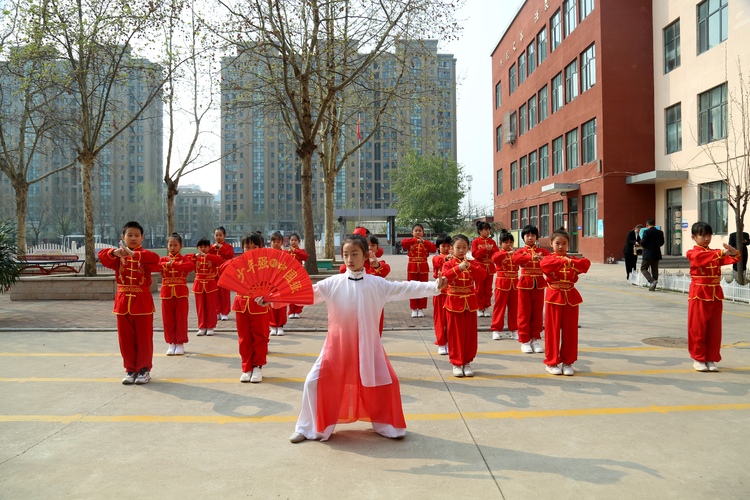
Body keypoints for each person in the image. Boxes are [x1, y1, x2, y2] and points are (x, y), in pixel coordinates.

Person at [288, 234, 446, 443]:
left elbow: (406, 287)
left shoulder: (377, 284)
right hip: (337, 348)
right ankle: (308, 428)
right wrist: (273, 298)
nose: (349, 259)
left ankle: (389, 426)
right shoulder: (333, 283)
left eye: (354, 254)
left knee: (390, 382)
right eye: (345, 255)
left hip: (369, 347)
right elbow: (305, 294)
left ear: (365, 256)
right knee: (312, 382)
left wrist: (434, 286)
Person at [98, 221, 160, 385]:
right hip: (123, 301)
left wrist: (134, 255)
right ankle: (130, 369)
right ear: (123, 237)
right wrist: (114, 252)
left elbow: (156, 261)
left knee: (144, 338)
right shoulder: (117, 256)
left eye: (137, 235)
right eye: (129, 235)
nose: (133, 238)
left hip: (142, 302)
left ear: (142, 238)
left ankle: (144, 369)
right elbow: (102, 256)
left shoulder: (145, 255)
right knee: (125, 338)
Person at [686, 222, 740, 372]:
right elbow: (700, 258)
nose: (706, 238)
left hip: (715, 294)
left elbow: (732, 259)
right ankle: (698, 358)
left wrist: (733, 252)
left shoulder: (714, 252)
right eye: (702, 235)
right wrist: (722, 253)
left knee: (714, 329)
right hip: (699, 294)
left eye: (709, 235)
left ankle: (711, 358)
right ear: (694, 237)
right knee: (698, 327)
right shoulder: (693, 253)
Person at [540, 228, 591, 376]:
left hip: (570, 296)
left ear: (568, 244)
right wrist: (565, 262)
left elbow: (585, 264)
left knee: (570, 331)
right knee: (553, 330)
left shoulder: (573, 259)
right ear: (551, 244)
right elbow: (545, 266)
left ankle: (568, 362)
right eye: (557, 243)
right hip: (554, 296)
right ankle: (552, 362)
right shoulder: (548, 259)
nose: (561, 246)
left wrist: (569, 261)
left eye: (564, 243)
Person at [224, 233, 272, 383]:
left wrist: (268, 297)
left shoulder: (266, 265)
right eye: (247, 247)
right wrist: (239, 260)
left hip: (259, 304)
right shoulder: (239, 263)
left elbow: (274, 284)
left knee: (260, 337)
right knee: (244, 338)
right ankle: (246, 367)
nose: (250, 250)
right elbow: (222, 269)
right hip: (241, 305)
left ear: (261, 248)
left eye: (254, 247)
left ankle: (258, 366)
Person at [441, 234, 487, 377]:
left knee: (469, 334)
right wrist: (459, 268)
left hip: (470, 303)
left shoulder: (472, 263)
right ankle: (456, 362)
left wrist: (470, 266)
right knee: (455, 334)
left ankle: (467, 362)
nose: (461, 250)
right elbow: (444, 278)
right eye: (458, 247)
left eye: (464, 247)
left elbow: (482, 276)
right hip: (454, 302)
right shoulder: (448, 264)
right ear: (451, 249)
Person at [338, 235, 391, 335]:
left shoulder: (379, 264)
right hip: (354, 303)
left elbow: (385, 271)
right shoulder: (355, 264)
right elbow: (342, 271)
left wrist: (376, 265)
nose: (370, 247)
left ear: (377, 248)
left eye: (373, 245)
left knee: (374, 331)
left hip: (373, 304)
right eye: (367, 245)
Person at [512, 225, 550, 354]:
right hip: (524, 284)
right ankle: (524, 340)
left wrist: (543, 259)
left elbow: (550, 261)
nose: (530, 238)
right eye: (527, 235)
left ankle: (535, 338)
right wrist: (531, 257)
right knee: (524, 313)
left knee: (537, 313)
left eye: (533, 235)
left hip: (538, 284)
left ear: (536, 237)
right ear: (523, 237)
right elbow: (515, 259)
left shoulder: (543, 251)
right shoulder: (520, 251)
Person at [158, 233, 195, 356]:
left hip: (180, 292)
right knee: (168, 319)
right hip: (167, 291)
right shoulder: (163, 259)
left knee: (181, 318)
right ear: (167, 246)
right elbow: (155, 266)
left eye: (175, 245)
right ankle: (171, 342)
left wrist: (174, 264)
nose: (173, 248)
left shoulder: (184, 259)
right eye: (170, 245)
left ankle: (180, 343)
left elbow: (190, 266)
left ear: (181, 246)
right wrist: (166, 264)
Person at [187, 238, 224, 336]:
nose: (203, 249)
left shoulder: (212, 257)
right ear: (197, 248)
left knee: (211, 306)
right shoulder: (195, 257)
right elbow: (185, 258)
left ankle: (211, 326)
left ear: (209, 247)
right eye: (201, 247)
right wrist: (195, 255)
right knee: (200, 307)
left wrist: (208, 256)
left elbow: (220, 260)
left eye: (205, 247)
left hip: (210, 283)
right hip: (199, 284)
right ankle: (202, 326)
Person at [401, 224, 437, 318]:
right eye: (416, 230)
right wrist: (415, 240)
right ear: (412, 232)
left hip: (423, 268)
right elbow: (403, 243)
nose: (418, 232)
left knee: (423, 287)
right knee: (412, 287)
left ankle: (421, 308)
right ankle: (414, 308)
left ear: (423, 232)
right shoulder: (410, 242)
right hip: (412, 267)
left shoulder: (426, 242)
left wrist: (424, 241)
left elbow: (433, 249)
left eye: (420, 230)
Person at [490, 231, 519, 341]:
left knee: (514, 308)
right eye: (506, 242)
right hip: (502, 283)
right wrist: (507, 254)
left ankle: (514, 329)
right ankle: (496, 329)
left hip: (515, 284)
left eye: (511, 242)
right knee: (499, 307)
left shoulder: (515, 253)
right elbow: (494, 259)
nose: (509, 244)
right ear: (500, 243)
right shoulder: (499, 253)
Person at [471, 221, 499, 317]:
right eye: (485, 229)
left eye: (488, 229)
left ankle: (486, 307)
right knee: (479, 289)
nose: (488, 231)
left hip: (489, 268)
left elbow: (497, 254)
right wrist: (484, 249)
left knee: (488, 289)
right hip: (480, 267)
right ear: (480, 231)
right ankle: (479, 307)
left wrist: (491, 249)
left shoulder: (492, 242)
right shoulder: (475, 242)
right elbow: (475, 254)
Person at [431, 233, 452, 355]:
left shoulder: (454, 258)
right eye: (443, 246)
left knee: (450, 319)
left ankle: (449, 341)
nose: (446, 248)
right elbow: (438, 261)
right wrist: (446, 258)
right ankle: (441, 343)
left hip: (451, 292)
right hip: (439, 291)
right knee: (440, 318)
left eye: (449, 246)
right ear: (438, 247)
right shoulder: (436, 258)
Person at [210, 226, 235, 320]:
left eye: (220, 235)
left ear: (224, 236)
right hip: (213, 273)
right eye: (216, 235)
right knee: (215, 293)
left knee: (224, 294)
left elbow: (230, 255)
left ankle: (225, 312)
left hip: (224, 273)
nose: (218, 237)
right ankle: (217, 311)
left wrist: (222, 247)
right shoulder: (211, 247)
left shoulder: (228, 247)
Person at [268, 232, 288, 336]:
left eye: (278, 242)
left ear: (282, 243)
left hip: (281, 283)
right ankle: (272, 326)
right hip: (269, 284)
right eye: (274, 241)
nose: (276, 244)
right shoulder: (266, 255)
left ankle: (280, 326)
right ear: (270, 242)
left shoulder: (285, 255)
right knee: (270, 305)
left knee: (281, 305)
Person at [286, 233, 308, 319]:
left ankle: (297, 311)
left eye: (295, 240)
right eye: (292, 240)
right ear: (289, 241)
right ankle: (291, 311)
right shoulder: (286, 252)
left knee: (300, 293)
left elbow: (305, 257)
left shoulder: (301, 251)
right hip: (290, 276)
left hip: (299, 275)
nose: (293, 242)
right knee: (291, 293)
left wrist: (295, 251)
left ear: (298, 241)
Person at [640, 219, 664, 291]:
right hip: (656, 253)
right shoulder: (660, 232)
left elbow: (643, 243)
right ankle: (654, 285)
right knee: (654, 270)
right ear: (654, 224)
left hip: (648, 253)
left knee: (643, 268)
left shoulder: (646, 232)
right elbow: (662, 242)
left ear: (647, 224)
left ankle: (651, 281)